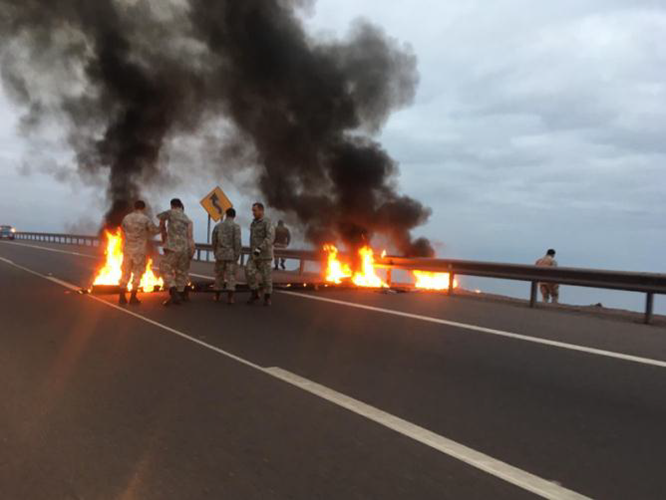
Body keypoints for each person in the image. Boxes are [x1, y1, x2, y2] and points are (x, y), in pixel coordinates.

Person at [118, 200, 160, 305]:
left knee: (125, 272)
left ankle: (122, 297)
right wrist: (162, 226)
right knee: (137, 273)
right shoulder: (145, 219)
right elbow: (154, 231)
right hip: (139, 250)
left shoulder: (126, 218)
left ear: (134, 207)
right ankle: (133, 297)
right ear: (143, 208)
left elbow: (122, 229)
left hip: (128, 249)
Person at [157, 198, 195, 306]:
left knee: (164, 268)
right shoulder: (188, 219)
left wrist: (164, 236)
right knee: (182, 273)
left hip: (173, 248)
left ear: (172, 205)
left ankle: (173, 291)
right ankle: (179, 295)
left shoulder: (170, 213)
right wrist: (192, 250)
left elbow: (161, 221)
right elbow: (190, 237)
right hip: (185, 249)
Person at [246, 202, 275, 306]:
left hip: (264, 255)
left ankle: (267, 298)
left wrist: (259, 248)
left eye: (255, 210)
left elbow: (270, 238)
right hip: (254, 255)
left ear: (261, 211)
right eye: (252, 211)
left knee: (266, 278)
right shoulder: (253, 223)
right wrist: (253, 251)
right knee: (249, 272)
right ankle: (255, 293)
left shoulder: (268, 222)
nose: (253, 213)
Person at [212, 207, 241, 304]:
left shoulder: (218, 226)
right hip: (231, 255)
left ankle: (216, 296)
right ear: (234, 216)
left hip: (220, 254)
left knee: (219, 275)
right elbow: (237, 242)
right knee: (231, 276)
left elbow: (214, 241)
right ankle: (230, 298)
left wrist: (216, 252)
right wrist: (237, 255)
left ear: (226, 215)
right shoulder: (236, 227)